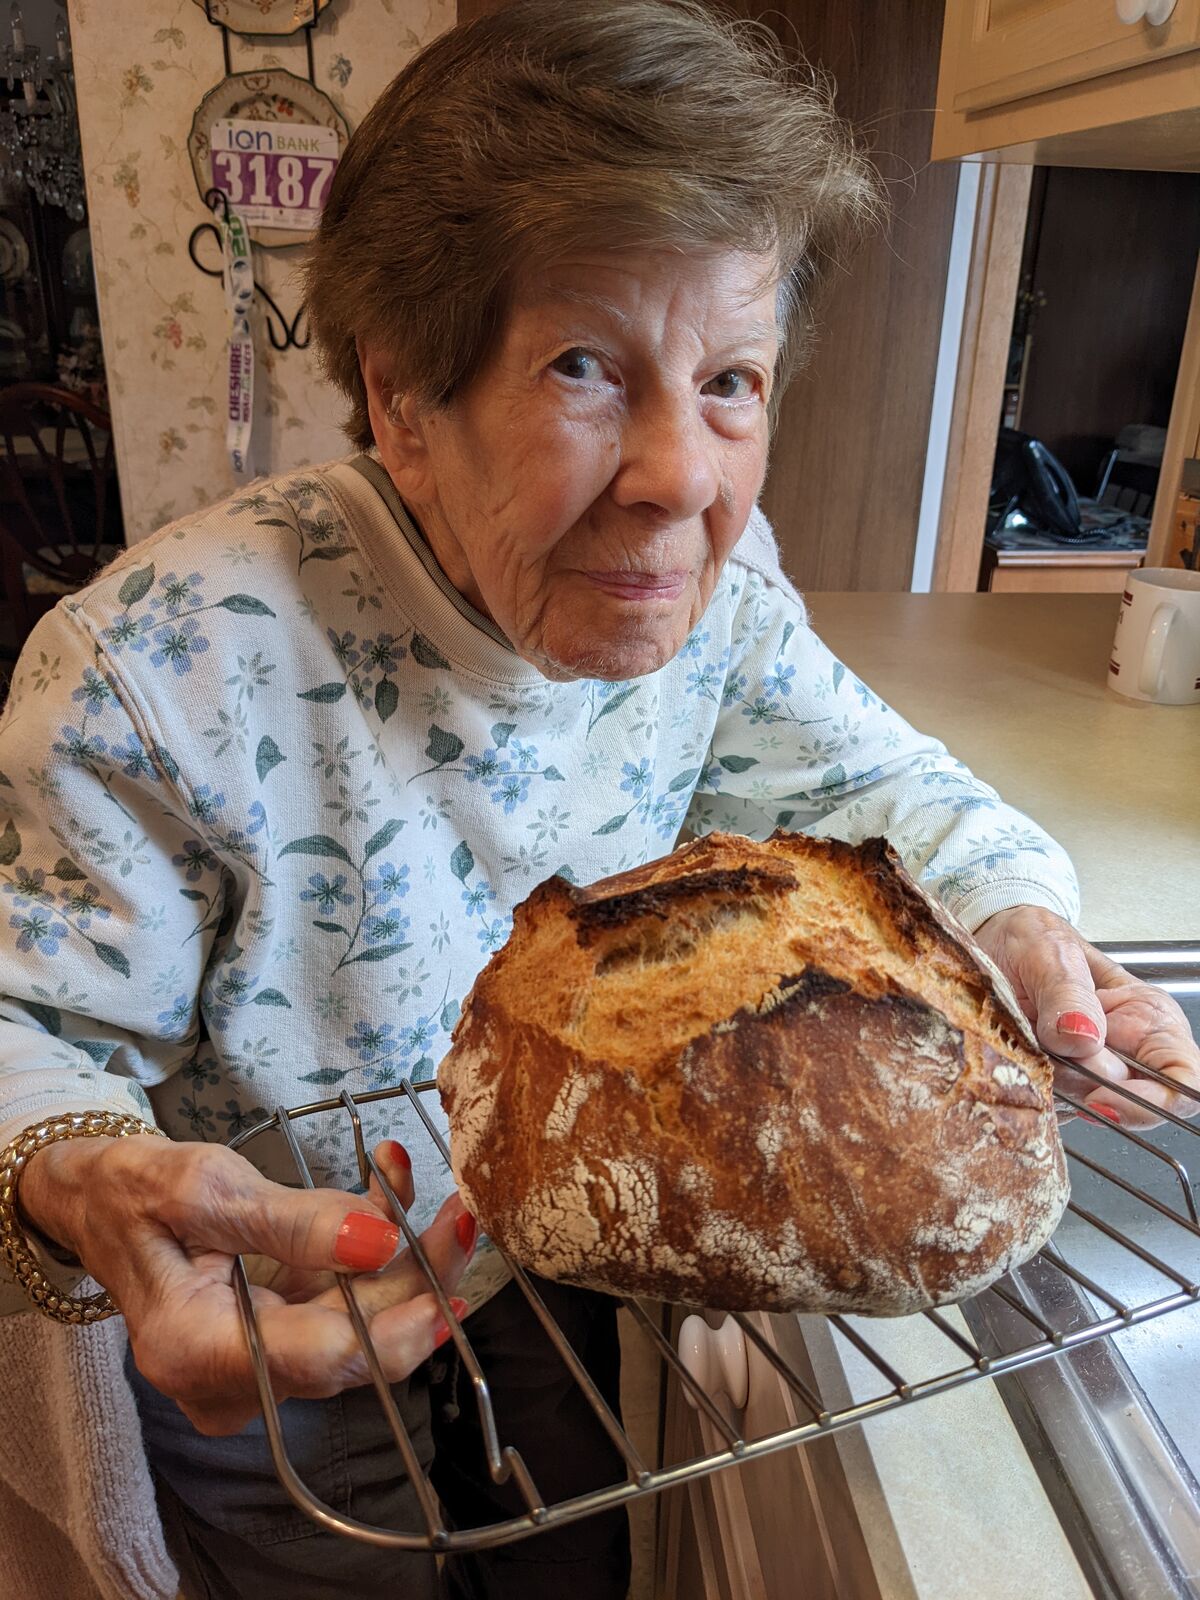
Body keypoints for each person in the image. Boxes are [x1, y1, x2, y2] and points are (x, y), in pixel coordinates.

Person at [1, 2, 1197, 1597]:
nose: (684, 477)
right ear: (402, 398)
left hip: (556, 1257)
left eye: (731, 381)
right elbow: (27, 1024)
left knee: (573, 1561)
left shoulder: (724, 601)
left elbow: (874, 783)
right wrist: (79, 1173)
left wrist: (1018, 920)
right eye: (585, 366)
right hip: (281, 1310)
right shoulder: (157, 667)